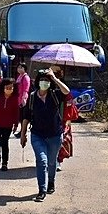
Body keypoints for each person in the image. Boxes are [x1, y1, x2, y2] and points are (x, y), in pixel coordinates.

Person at [20, 67, 72, 202]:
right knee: (41, 161)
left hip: (54, 135)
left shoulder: (55, 94)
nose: (44, 82)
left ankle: (51, 183)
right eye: (42, 80)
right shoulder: (32, 97)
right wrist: (23, 134)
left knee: (51, 162)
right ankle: (41, 190)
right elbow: (26, 117)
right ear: (37, 82)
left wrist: (54, 78)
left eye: (46, 80)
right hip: (38, 135)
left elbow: (67, 91)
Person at [50, 65, 78, 172]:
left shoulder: (63, 87)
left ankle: (57, 161)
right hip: (50, 118)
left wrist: (67, 119)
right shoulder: (48, 86)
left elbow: (68, 98)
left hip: (62, 119)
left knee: (61, 141)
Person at [12, 62, 30, 136]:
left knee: (23, 117)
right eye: (18, 67)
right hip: (18, 99)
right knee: (20, 116)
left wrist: (24, 99)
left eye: (21, 67)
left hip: (23, 100)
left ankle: (22, 132)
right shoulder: (19, 76)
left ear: (25, 69)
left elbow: (26, 89)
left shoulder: (26, 77)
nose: (19, 69)